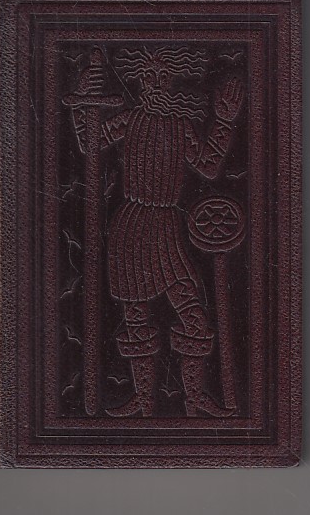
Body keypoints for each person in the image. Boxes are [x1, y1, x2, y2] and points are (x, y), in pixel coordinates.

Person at [71, 46, 243, 417]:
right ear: (141, 83)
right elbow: (90, 142)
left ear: (172, 82)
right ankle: (144, 400)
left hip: (166, 226)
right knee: (136, 315)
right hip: (131, 226)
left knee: (193, 313)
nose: (156, 83)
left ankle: (193, 399)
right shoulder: (129, 120)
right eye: (149, 76)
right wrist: (82, 103)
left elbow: (209, 166)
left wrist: (224, 121)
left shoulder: (181, 127)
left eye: (164, 76)